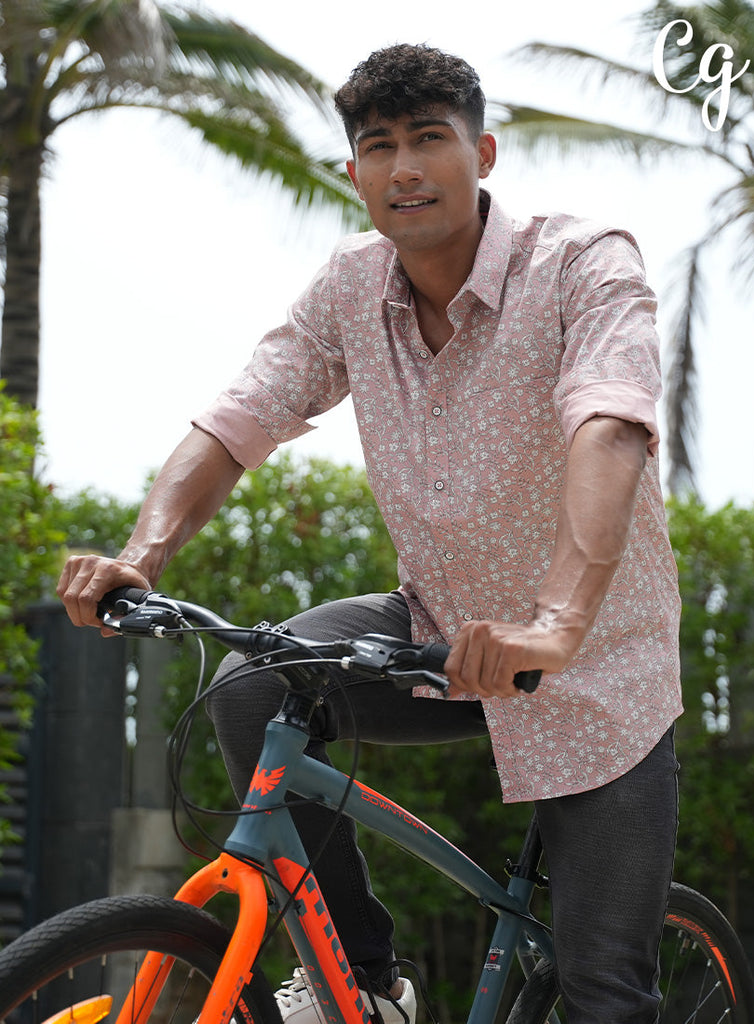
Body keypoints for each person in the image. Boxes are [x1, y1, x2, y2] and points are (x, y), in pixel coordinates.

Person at [57, 43, 682, 1024]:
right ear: (353, 174)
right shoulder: (351, 288)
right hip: (436, 634)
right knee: (251, 685)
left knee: (604, 990)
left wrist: (556, 624)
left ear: (483, 151)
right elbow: (239, 416)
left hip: (595, 662)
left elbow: (606, 421)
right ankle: (364, 983)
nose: (404, 168)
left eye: (429, 139)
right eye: (378, 146)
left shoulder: (580, 260)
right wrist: (139, 559)